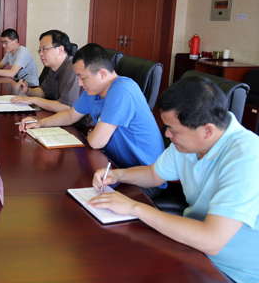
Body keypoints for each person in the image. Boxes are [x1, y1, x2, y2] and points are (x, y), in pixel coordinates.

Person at [89, 76, 259, 283]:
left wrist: (134, 207)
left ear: (207, 130)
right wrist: (118, 174)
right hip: (191, 248)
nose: (167, 134)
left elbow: (211, 240)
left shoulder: (247, 157)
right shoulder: (189, 143)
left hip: (231, 272)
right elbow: (154, 174)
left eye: (174, 130)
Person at [19, 43, 165, 193]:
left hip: (144, 179)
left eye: (82, 77)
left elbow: (96, 141)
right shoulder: (94, 91)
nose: (79, 83)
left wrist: (90, 133)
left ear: (102, 74)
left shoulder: (122, 90)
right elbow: (70, 115)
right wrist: (40, 123)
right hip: (114, 167)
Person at [10, 30, 81, 112]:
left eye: (44, 49)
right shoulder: (54, 68)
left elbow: (66, 107)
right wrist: (28, 91)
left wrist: (34, 100)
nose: (40, 54)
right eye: (40, 50)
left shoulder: (73, 69)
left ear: (60, 50)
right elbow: (44, 91)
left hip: (78, 120)